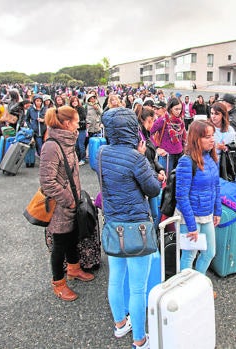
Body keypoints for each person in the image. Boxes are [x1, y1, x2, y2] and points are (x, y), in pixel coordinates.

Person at [99, 107, 161, 349]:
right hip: (137, 227)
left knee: (116, 279)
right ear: (130, 129)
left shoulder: (102, 153)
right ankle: (140, 340)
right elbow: (153, 189)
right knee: (138, 288)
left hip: (114, 225)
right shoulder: (136, 157)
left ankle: (120, 324)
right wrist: (143, 157)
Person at [39, 106, 95, 302]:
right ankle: (59, 283)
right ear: (65, 123)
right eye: (75, 120)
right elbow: (47, 181)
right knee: (59, 246)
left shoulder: (68, 141)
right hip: (60, 207)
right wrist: (69, 199)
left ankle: (74, 269)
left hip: (71, 204)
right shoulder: (52, 145)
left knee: (71, 238)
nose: (78, 123)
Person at [176, 120, 222, 274]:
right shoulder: (186, 161)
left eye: (212, 135)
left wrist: (217, 211)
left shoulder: (211, 158)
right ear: (196, 139)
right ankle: (186, 292)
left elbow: (216, 186)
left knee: (209, 252)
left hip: (207, 214)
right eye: (207, 136)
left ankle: (197, 285)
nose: (212, 139)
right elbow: (181, 196)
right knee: (189, 256)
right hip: (190, 217)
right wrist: (191, 226)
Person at [138, 107, 166, 227]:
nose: (154, 123)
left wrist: (160, 169)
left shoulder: (146, 135)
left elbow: (152, 158)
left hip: (152, 176)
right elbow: (143, 162)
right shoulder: (139, 138)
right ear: (148, 119)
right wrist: (156, 175)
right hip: (148, 179)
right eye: (153, 120)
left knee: (154, 211)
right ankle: (153, 237)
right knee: (153, 213)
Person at [150, 98, 186, 174]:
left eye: (180, 109)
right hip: (166, 156)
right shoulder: (162, 120)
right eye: (176, 109)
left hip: (179, 155)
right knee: (165, 181)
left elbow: (183, 137)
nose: (178, 111)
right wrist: (156, 147)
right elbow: (148, 133)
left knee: (176, 181)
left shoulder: (180, 121)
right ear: (170, 109)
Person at [69, 96, 87, 165]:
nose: (74, 103)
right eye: (73, 101)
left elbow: (83, 116)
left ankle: (83, 159)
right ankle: (77, 158)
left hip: (81, 129)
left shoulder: (81, 108)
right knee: (75, 145)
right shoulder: (70, 109)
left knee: (81, 145)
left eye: (76, 101)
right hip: (73, 129)